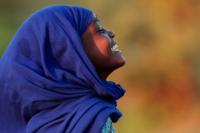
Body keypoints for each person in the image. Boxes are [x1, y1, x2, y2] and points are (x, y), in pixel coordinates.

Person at [0, 5, 126, 133]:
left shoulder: (42, 124)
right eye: (100, 30)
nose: (111, 33)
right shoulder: (90, 119)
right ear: (72, 51)